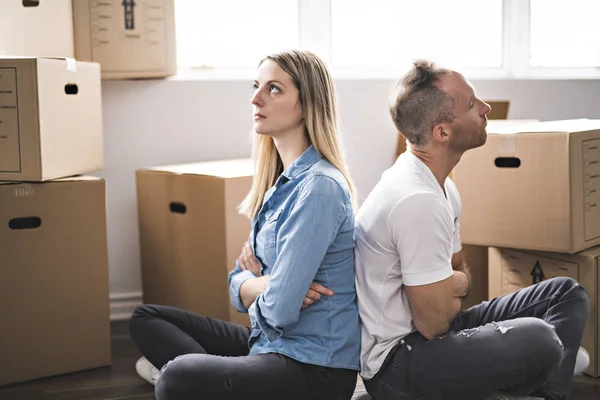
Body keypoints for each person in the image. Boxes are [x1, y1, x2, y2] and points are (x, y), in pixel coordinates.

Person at [128, 49, 361, 400]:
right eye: (256, 86)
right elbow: (238, 279)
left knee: (177, 377)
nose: (256, 98)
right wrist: (264, 283)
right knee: (146, 318)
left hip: (314, 368)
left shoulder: (320, 187)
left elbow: (280, 311)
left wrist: (260, 286)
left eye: (274, 89)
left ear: (306, 103)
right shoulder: (280, 182)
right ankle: (214, 385)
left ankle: (190, 382)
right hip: (268, 344)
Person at [354, 60, 590, 400]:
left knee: (566, 294)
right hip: (399, 363)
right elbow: (434, 323)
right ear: (443, 132)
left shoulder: (442, 187)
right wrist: (453, 286)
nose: (486, 108)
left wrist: (451, 285)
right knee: (543, 340)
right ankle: (545, 385)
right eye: (471, 104)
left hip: (434, 335)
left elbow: (459, 276)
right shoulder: (417, 200)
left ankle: (541, 390)